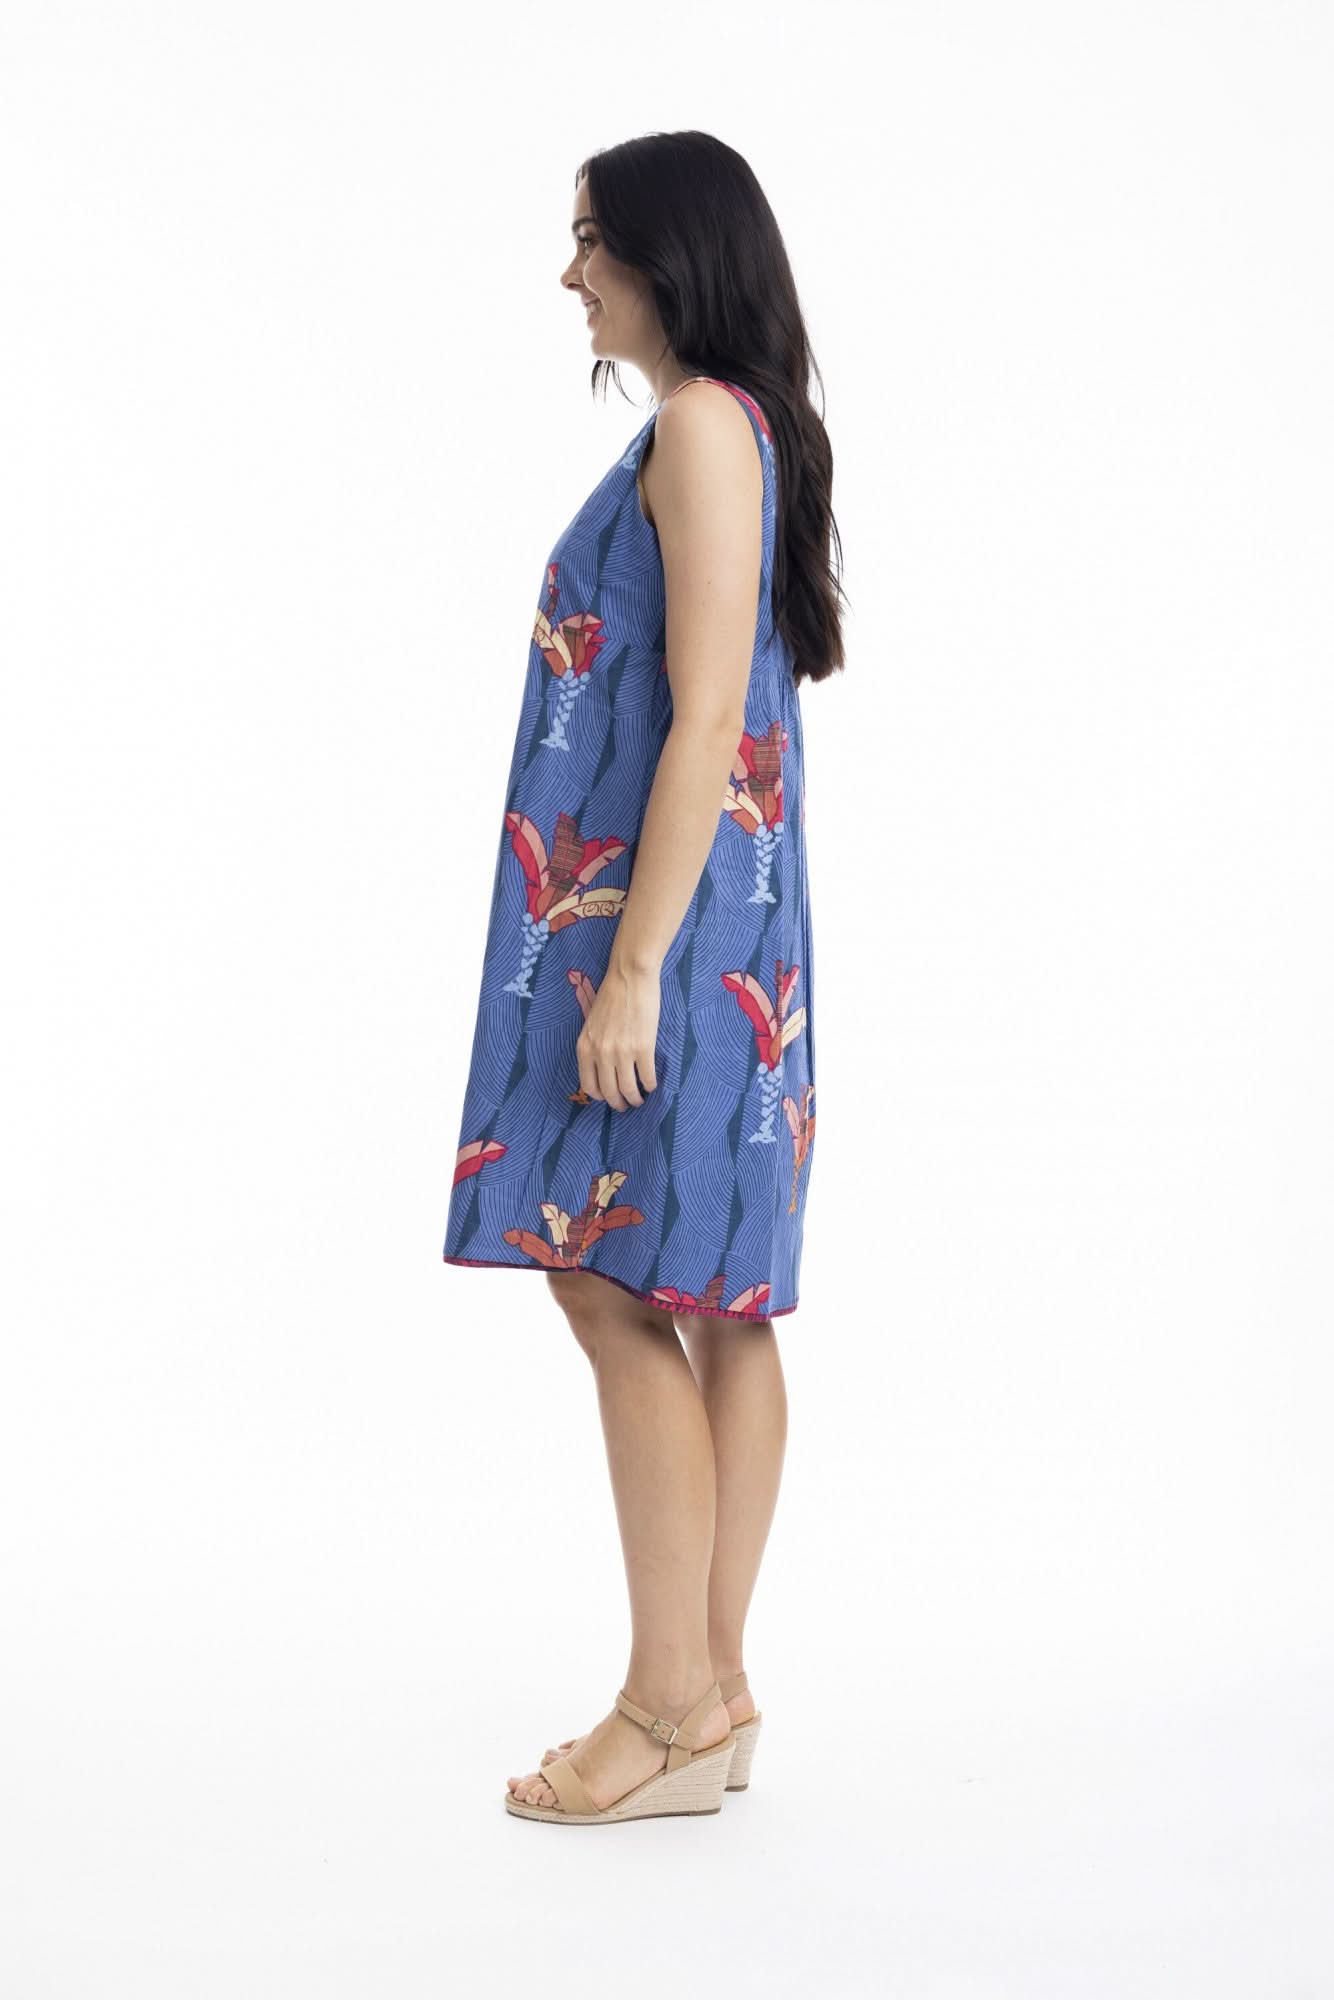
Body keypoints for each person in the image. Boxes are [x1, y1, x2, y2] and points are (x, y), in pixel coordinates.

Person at [441, 130, 846, 1824]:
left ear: (670, 255)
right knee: (709, 1302)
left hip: (661, 932)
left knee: (608, 1284)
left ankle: (666, 1702)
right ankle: (714, 1691)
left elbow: (694, 719)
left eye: (592, 239)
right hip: (729, 919)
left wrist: (623, 976)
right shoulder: (743, 430)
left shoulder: (692, 428)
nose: (570, 273)